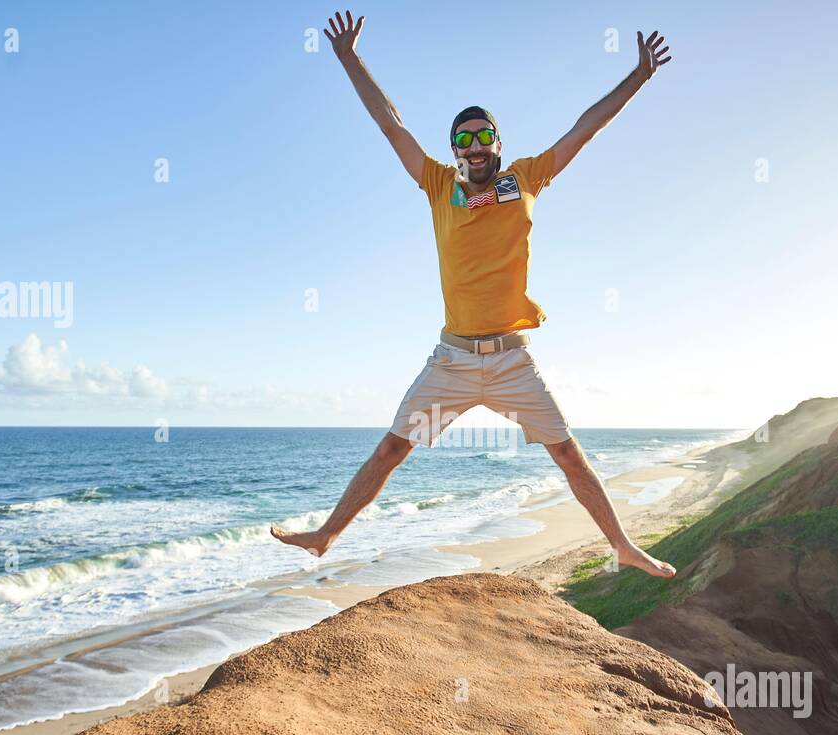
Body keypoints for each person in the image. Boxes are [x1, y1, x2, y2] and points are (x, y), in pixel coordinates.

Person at [271, 10, 676, 578]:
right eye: (463, 140)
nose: (474, 145)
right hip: (454, 359)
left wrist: (637, 77)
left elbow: (585, 127)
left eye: (484, 136)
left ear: (498, 145)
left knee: (568, 453)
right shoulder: (440, 185)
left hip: (512, 359)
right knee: (393, 449)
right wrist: (349, 59)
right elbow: (391, 125)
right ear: (456, 151)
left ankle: (622, 546)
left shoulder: (526, 179)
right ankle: (326, 535)